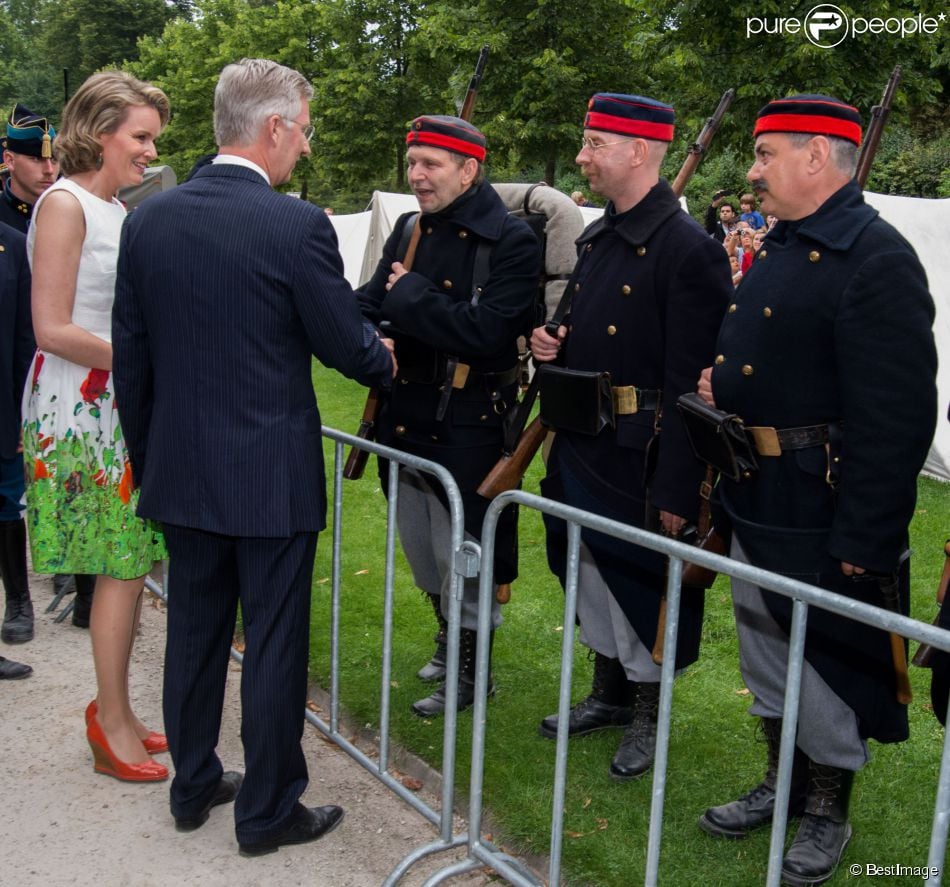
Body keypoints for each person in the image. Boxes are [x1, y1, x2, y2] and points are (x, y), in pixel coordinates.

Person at [112, 58, 396, 855]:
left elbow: (133, 363)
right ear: (273, 128)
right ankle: (267, 810)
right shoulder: (291, 224)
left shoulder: (150, 220)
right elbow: (346, 342)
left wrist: (152, 457)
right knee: (273, 641)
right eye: (303, 131)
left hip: (182, 470)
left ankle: (193, 783)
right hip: (268, 478)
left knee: (196, 632)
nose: (304, 149)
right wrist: (385, 358)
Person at [695, 95, 938, 887]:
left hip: (821, 502)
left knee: (827, 662)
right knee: (766, 648)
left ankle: (827, 806)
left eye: (767, 155)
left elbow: (896, 418)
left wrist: (865, 540)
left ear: (817, 157)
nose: (753, 171)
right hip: (758, 487)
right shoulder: (786, 245)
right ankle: (783, 781)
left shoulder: (876, 256)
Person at [530, 93, 732, 781]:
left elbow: (687, 383)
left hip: (641, 453)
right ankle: (609, 691)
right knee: (587, 570)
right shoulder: (599, 236)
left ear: (638, 151)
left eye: (594, 143)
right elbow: (579, 330)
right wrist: (551, 344)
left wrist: (679, 484)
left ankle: (646, 710)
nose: (582, 156)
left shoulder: (690, 253)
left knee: (640, 584)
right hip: (584, 439)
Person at [357, 115, 540, 717]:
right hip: (403, 415)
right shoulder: (410, 228)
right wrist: (359, 331)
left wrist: (409, 296)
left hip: (468, 422)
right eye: (412, 163)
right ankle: (447, 639)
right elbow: (368, 303)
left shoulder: (510, 240)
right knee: (423, 551)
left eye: (430, 164)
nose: (416, 176)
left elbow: (488, 334)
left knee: (465, 552)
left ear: (469, 169)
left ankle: (471, 669)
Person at [21, 71, 170, 783]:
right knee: (119, 566)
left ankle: (119, 711)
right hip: (81, 414)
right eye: (139, 136)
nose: (149, 150)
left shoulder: (115, 208)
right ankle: (111, 724)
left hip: (115, 406)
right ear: (99, 130)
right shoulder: (65, 204)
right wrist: (143, 360)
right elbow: (50, 327)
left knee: (130, 565)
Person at [0, 104, 97, 628]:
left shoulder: (73, 207)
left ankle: (77, 582)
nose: (47, 170)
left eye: (52, 160)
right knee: (10, 494)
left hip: (63, 369)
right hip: (21, 364)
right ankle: (19, 599)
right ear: (8, 159)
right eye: (35, 160)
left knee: (75, 478)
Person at [0, 215, 34, 663]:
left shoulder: (13, 245)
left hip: (2, 409)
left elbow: (27, 338)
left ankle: (18, 600)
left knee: (7, 505)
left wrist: (25, 412)